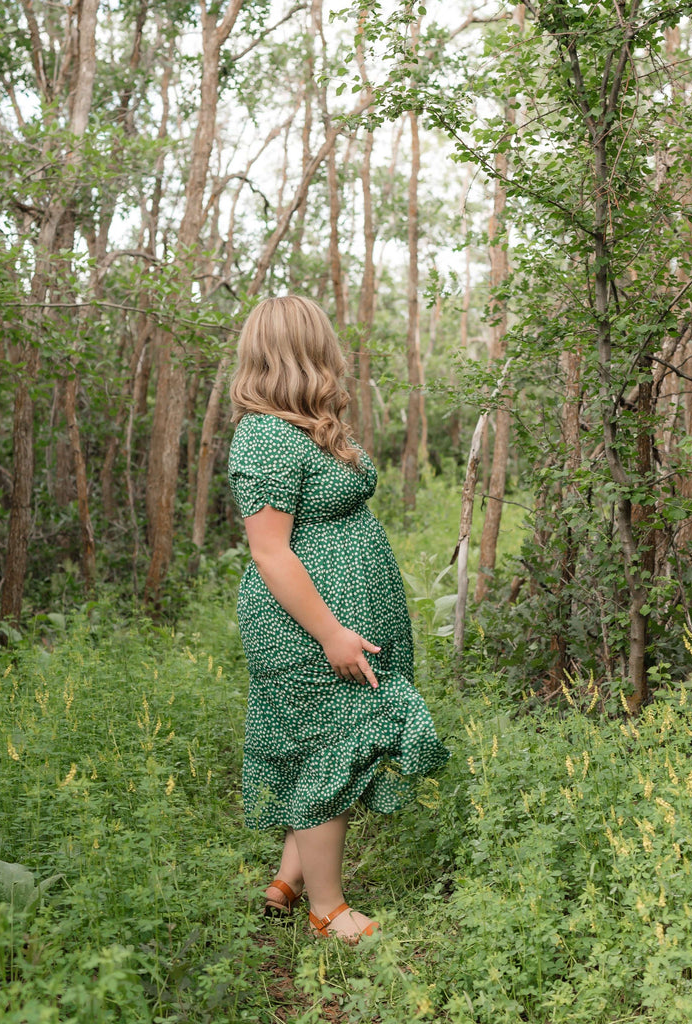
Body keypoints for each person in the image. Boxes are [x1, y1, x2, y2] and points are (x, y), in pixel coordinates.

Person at [227, 295, 450, 944]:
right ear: (305, 348)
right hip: (304, 627)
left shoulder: (306, 426)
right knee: (331, 748)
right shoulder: (265, 436)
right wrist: (329, 633)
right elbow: (269, 551)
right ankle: (327, 911)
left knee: (332, 745)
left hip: (341, 620)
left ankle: (287, 882)